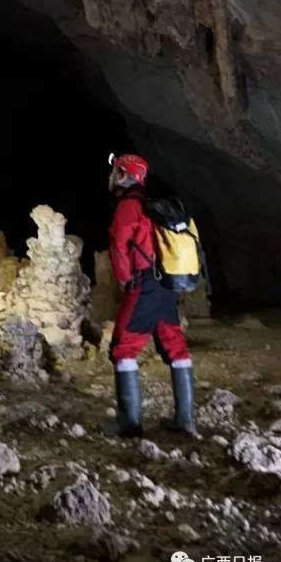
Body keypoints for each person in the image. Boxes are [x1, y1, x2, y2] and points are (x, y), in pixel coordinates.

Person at [108, 153, 196, 437]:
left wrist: (125, 281)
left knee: (123, 348)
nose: (111, 176)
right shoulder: (152, 205)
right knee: (175, 347)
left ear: (123, 175)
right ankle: (185, 420)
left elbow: (120, 245)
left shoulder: (129, 207)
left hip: (144, 284)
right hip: (166, 286)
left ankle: (129, 424)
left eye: (115, 171)